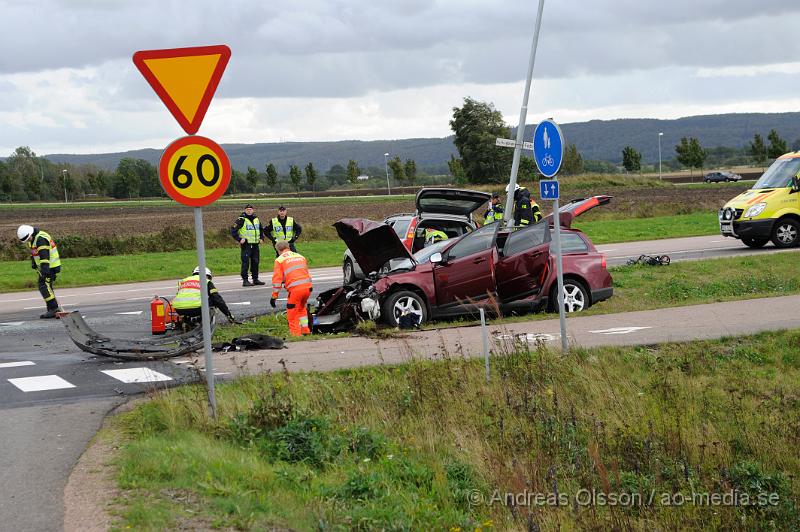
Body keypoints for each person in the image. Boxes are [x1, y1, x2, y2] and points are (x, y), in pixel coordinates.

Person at [17, 225, 62, 319]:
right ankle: (52, 309)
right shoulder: (33, 239)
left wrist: (45, 271)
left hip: (50, 267)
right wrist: (34, 262)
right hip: (46, 267)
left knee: (43, 286)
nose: (28, 240)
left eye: (28, 238)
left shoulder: (41, 239)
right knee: (47, 287)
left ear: (30, 233)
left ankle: (54, 309)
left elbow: (44, 256)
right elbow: (35, 253)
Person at [270, 240, 313, 336]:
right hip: (307, 287)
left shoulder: (279, 260)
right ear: (288, 247)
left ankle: (296, 335)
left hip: (296, 290)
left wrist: (274, 296)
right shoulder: (300, 256)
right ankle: (305, 331)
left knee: (292, 313)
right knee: (302, 309)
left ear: (277, 250)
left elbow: (277, 280)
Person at [171, 267, 237, 324]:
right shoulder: (206, 281)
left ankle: (186, 321)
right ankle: (206, 323)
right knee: (214, 299)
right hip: (196, 309)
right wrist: (228, 315)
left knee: (192, 303)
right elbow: (218, 299)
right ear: (207, 275)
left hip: (178, 309)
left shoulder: (184, 281)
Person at [231, 203, 266, 287]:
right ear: (245, 210)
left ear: (253, 210)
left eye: (250, 209)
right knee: (245, 262)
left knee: (255, 262)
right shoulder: (241, 219)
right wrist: (239, 239)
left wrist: (262, 238)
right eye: (247, 209)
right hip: (246, 245)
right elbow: (233, 230)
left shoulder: (256, 219)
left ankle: (255, 279)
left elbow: (261, 229)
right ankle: (245, 280)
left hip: (255, 244)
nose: (249, 211)